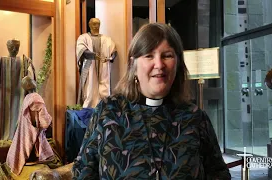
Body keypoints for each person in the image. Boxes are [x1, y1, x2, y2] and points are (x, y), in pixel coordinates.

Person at [72, 23, 231, 179]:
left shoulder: (194, 117)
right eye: (149, 55)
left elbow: (219, 174)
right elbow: (83, 172)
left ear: (178, 64)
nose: (159, 64)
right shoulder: (108, 112)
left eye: (167, 55)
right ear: (133, 64)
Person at [76, 18, 117, 108]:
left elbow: (114, 51)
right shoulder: (83, 38)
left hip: (103, 68)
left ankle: (103, 109)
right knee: (89, 91)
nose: (96, 26)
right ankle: (88, 110)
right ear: (89, 25)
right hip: (89, 68)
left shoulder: (107, 39)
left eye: (98, 24)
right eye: (94, 24)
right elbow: (82, 51)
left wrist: (110, 58)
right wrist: (94, 56)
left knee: (104, 92)